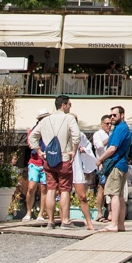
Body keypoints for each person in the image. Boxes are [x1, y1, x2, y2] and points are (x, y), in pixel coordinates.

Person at [34, 96, 83, 229]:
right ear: (63, 105)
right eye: (69, 104)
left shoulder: (45, 120)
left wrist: (39, 151)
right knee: (65, 190)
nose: (70, 107)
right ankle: (65, 221)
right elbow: (76, 135)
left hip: (49, 159)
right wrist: (73, 150)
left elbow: (33, 136)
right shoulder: (69, 118)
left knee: (50, 189)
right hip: (64, 158)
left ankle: (50, 221)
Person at [96, 105, 132, 232]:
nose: (112, 117)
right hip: (122, 165)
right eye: (111, 115)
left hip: (116, 165)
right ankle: (121, 224)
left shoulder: (120, 129)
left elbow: (112, 148)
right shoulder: (122, 128)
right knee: (120, 195)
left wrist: (100, 159)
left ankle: (113, 224)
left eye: (114, 115)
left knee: (114, 194)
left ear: (122, 115)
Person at [24, 113, 50, 220]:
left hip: (46, 163)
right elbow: (31, 143)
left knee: (44, 189)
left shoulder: (50, 132)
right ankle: (28, 212)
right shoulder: (33, 131)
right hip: (34, 162)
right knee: (31, 187)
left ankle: (40, 214)